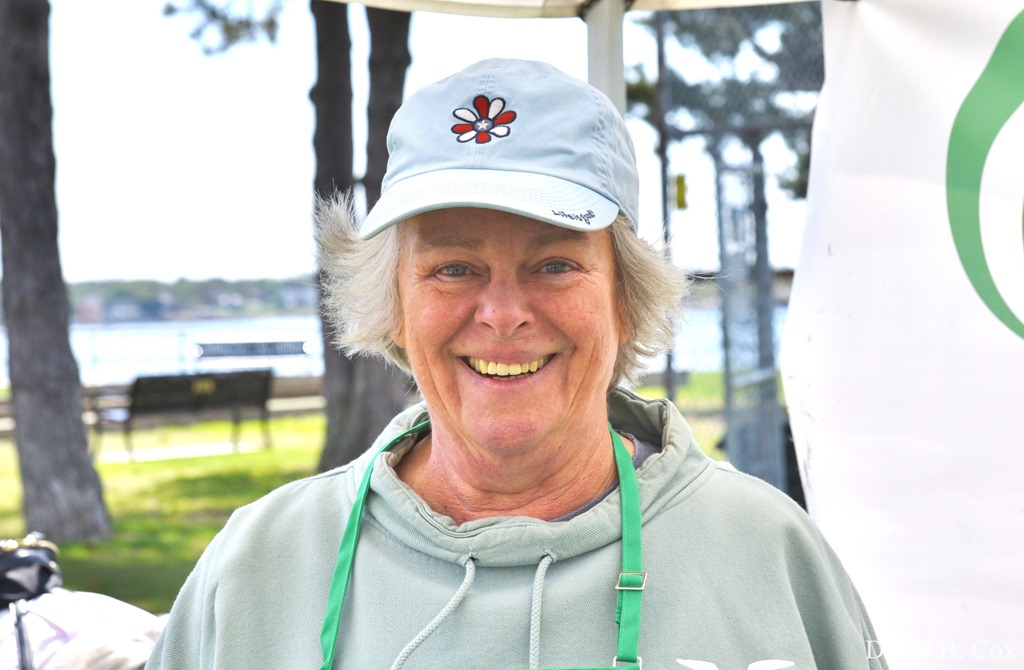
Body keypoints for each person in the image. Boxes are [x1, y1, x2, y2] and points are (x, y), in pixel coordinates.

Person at [147, 58, 886, 670]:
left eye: (555, 264)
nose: (503, 314)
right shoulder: (256, 567)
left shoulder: (768, 552)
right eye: (454, 268)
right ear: (393, 304)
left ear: (625, 297)